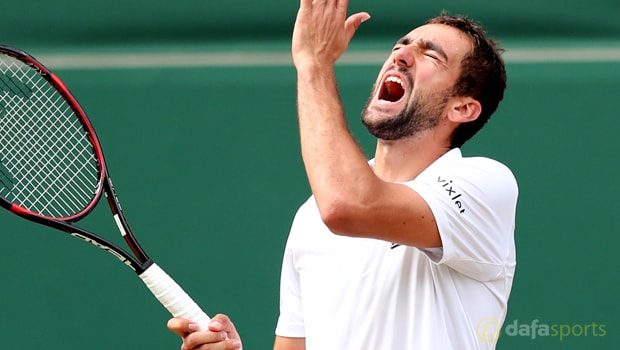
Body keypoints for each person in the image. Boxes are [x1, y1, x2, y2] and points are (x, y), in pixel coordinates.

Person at [168, 0, 518, 348]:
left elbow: (348, 206)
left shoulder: (485, 184)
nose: (400, 55)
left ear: (462, 108)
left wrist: (313, 64)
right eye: (400, 45)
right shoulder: (310, 216)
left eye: (431, 55)